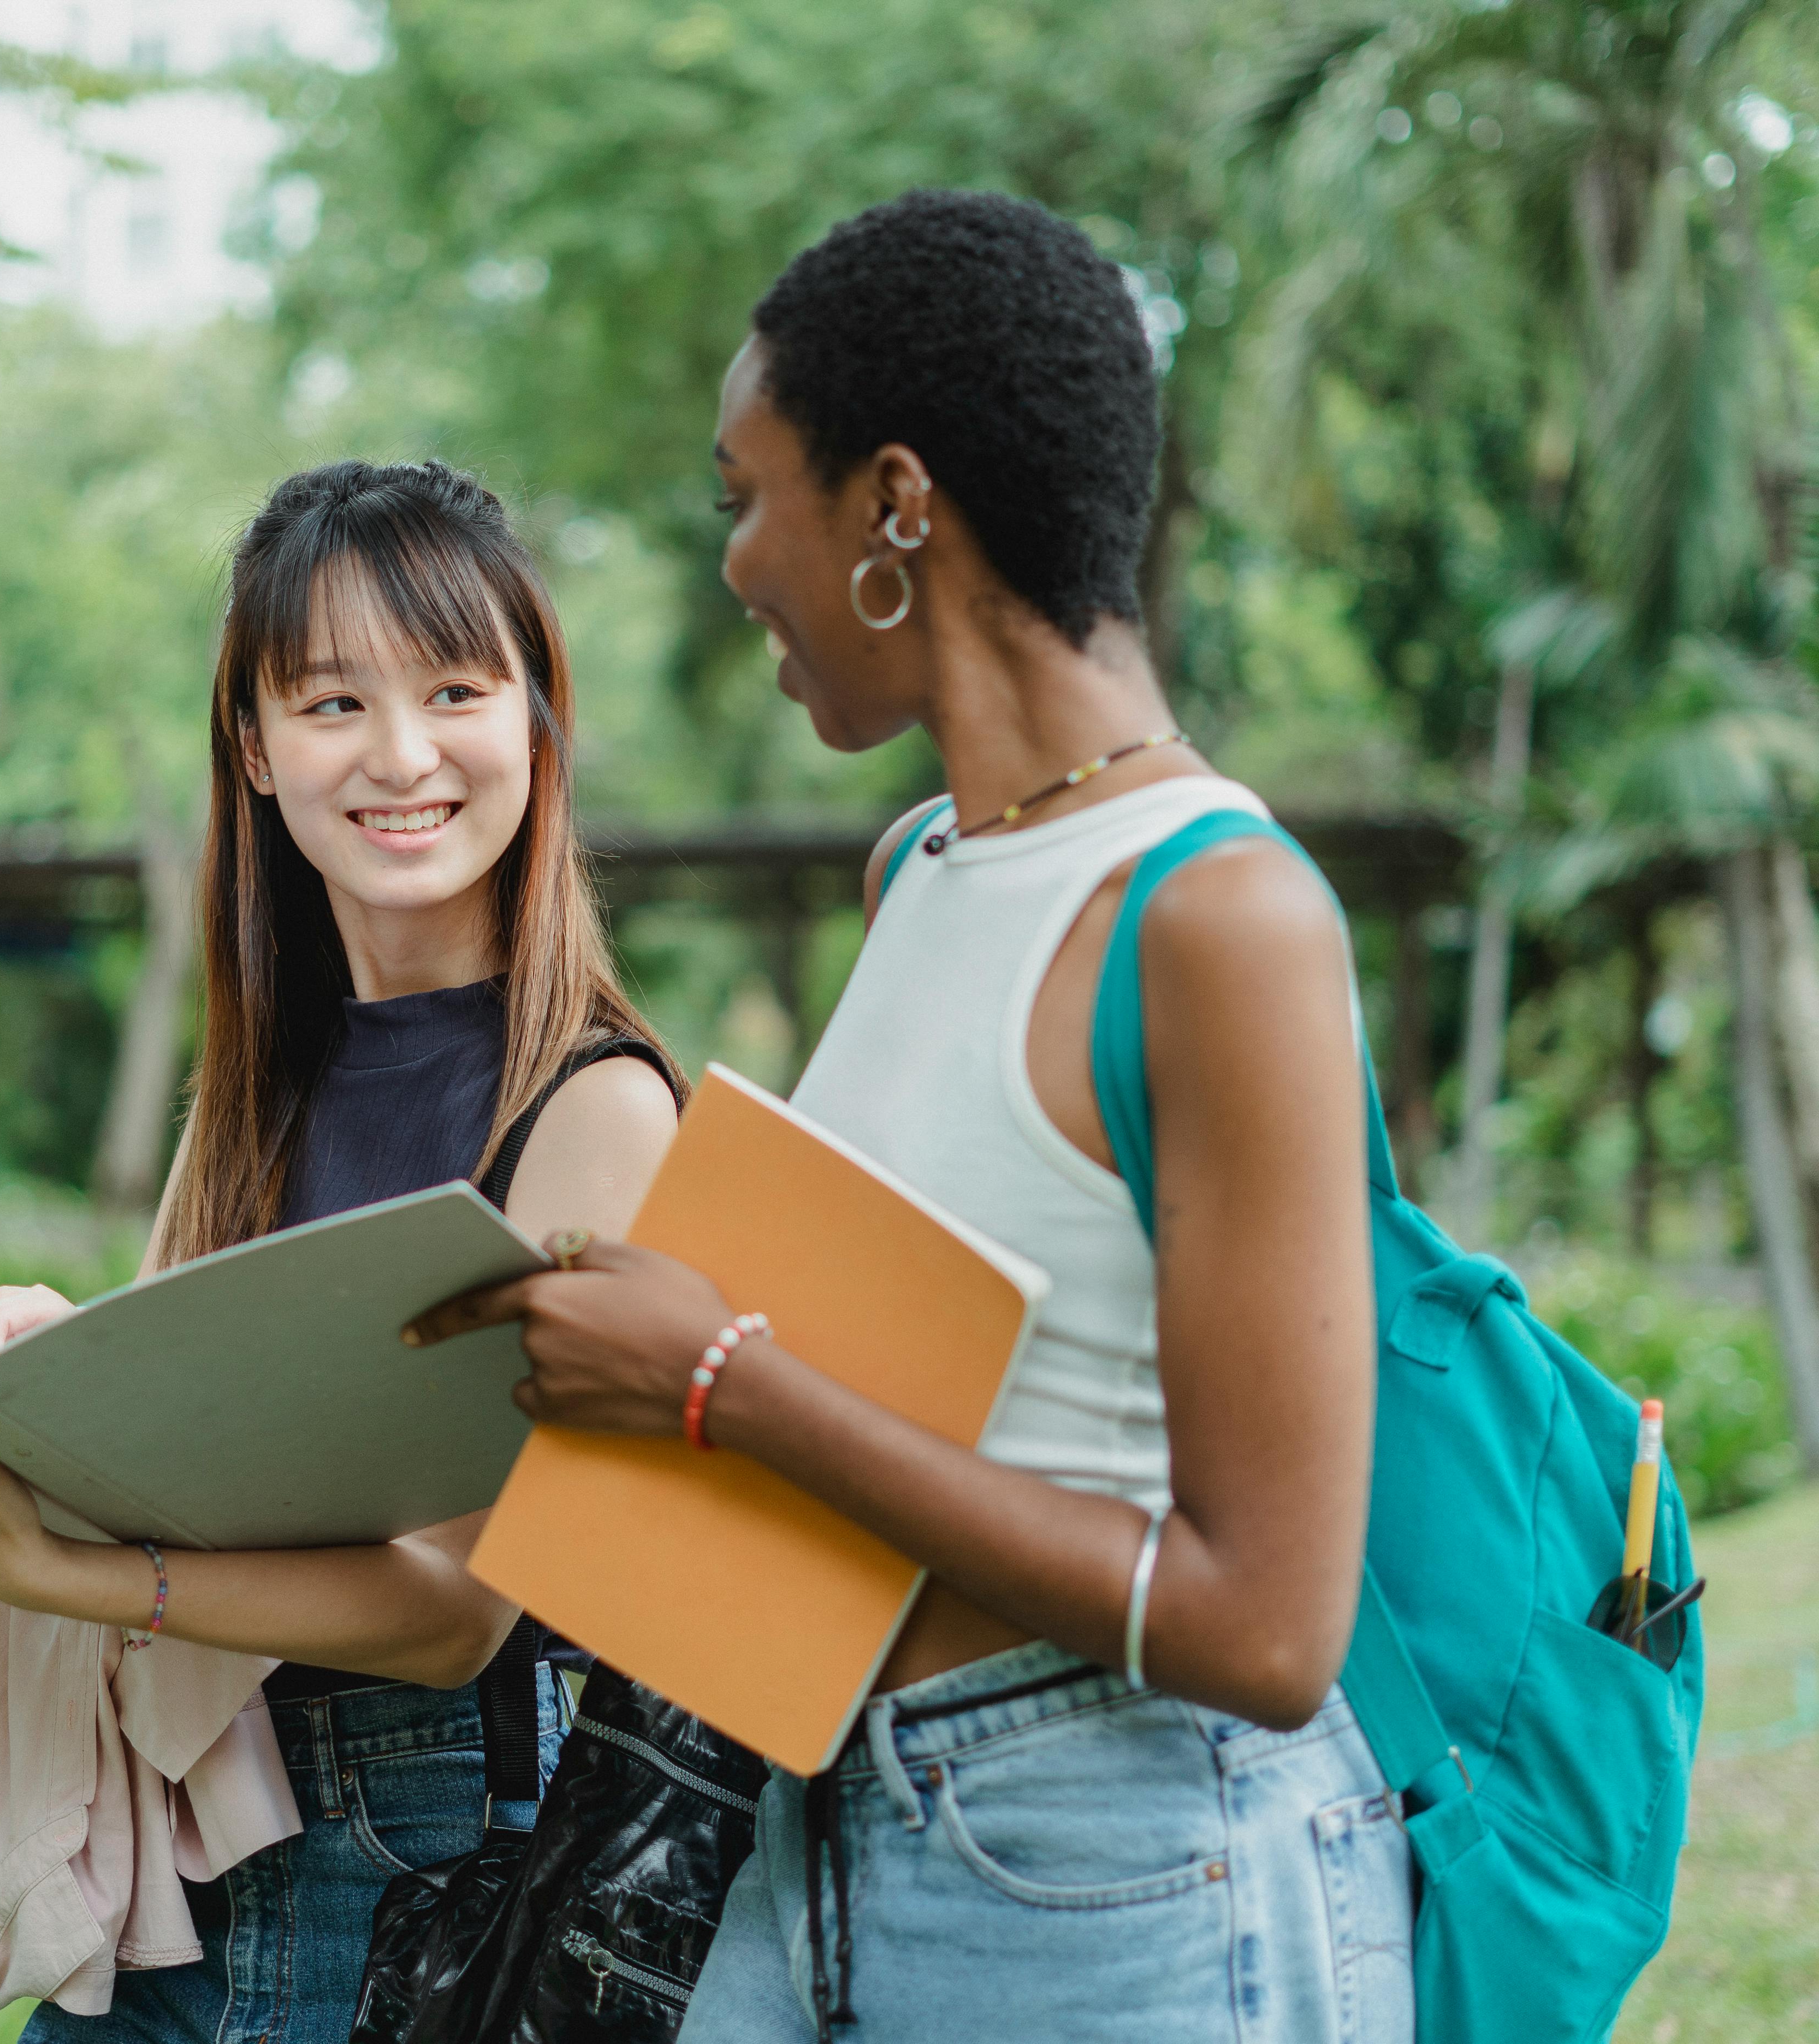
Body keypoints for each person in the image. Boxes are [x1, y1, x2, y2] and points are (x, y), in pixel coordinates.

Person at [408, 189, 1414, 2042]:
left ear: (892, 506)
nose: (729, 563)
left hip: (1126, 1869)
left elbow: (1269, 1634)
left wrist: (725, 1384)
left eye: (741, 493)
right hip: (827, 1819)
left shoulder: (1218, 917)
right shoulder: (924, 868)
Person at [0, 459, 686, 2044]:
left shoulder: (595, 1105)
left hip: (416, 1845)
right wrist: (46, 1367)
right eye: (333, 703)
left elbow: (460, 1608)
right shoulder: (259, 1086)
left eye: (457, 687)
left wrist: (64, 1570)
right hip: (182, 1813)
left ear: (537, 716)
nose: (402, 754)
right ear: (254, 750)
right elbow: (193, 1459)